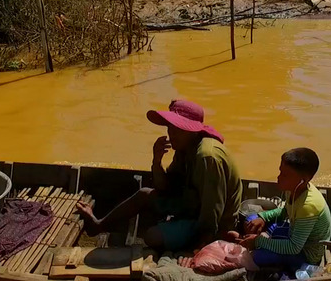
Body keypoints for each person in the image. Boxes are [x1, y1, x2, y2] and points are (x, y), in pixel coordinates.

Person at [76, 100, 242, 251]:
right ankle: (98, 225)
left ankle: (189, 242)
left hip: (215, 223)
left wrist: (201, 248)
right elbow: (164, 187)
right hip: (191, 204)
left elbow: (212, 211)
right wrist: (157, 161)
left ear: (192, 130)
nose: (171, 133)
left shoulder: (207, 156)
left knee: (152, 236)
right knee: (144, 194)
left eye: (177, 128)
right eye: (170, 127)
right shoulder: (185, 149)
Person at [237, 148, 331, 271]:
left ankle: (262, 243)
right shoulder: (294, 190)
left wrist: (257, 241)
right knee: (251, 219)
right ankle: (262, 239)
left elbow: (294, 248)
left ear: (302, 181)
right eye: (280, 172)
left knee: (256, 257)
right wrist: (263, 217)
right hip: (293, 232)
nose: (278, 177)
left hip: (305, 252)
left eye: (285, 175)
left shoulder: (308, 206)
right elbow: (285, 212)